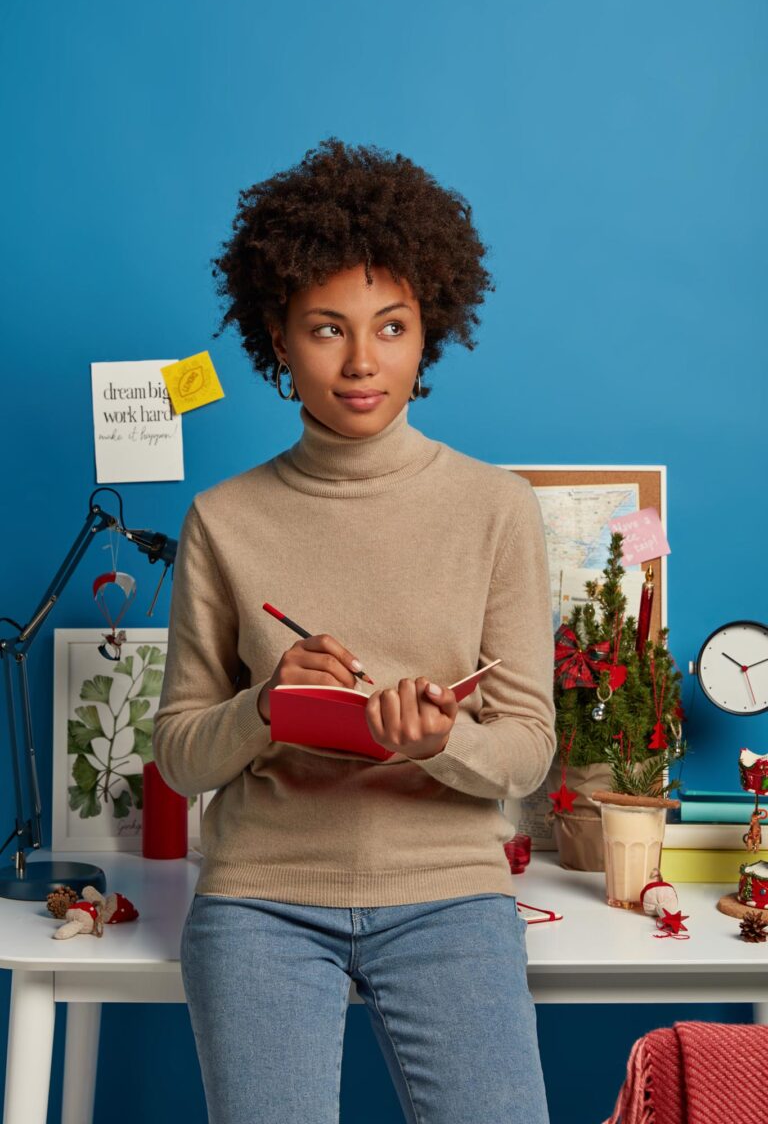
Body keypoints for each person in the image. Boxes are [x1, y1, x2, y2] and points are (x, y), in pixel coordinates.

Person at [153, 137, 556, 1124]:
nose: (364, 361)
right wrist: (269, 705)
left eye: (392, 326)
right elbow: (178, 754)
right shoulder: (224, 518)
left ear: (430, 337)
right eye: (327, 328)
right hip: (263, 899)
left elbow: (527, 748)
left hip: (450, 894)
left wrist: (442, 740)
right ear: (278, 342)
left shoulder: (497, 509)